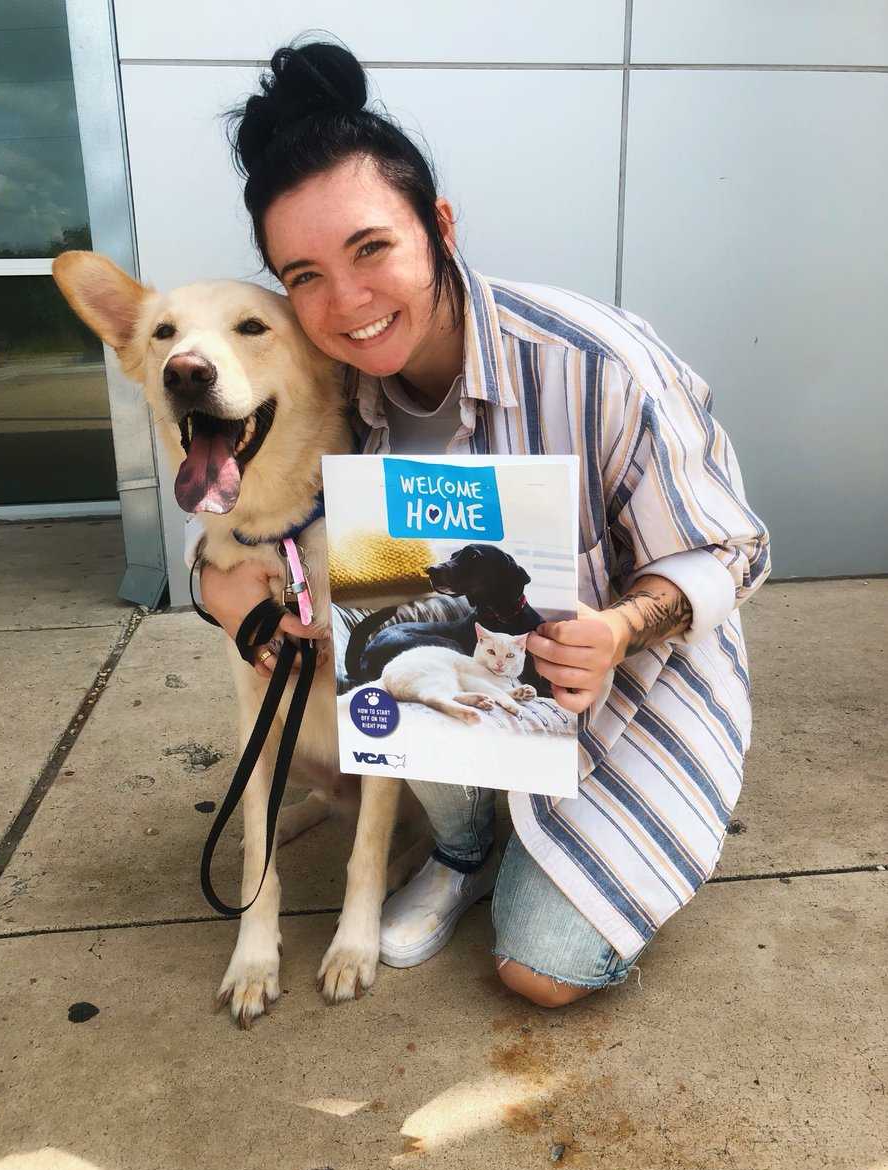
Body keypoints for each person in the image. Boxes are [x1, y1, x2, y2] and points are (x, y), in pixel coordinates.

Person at [191, 39, 771, 1008]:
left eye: (371, 250)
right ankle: (463, 848)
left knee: (541, 969)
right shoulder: (336, 391)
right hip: (464, 702)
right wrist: (225, 586)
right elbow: (242, 508)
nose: (350, 304)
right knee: (398, 655)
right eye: (306, 276)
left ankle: (536, 840)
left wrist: (622, 626)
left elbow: (733, 549)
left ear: (441, 227)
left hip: (623, 699)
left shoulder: (600, 364)